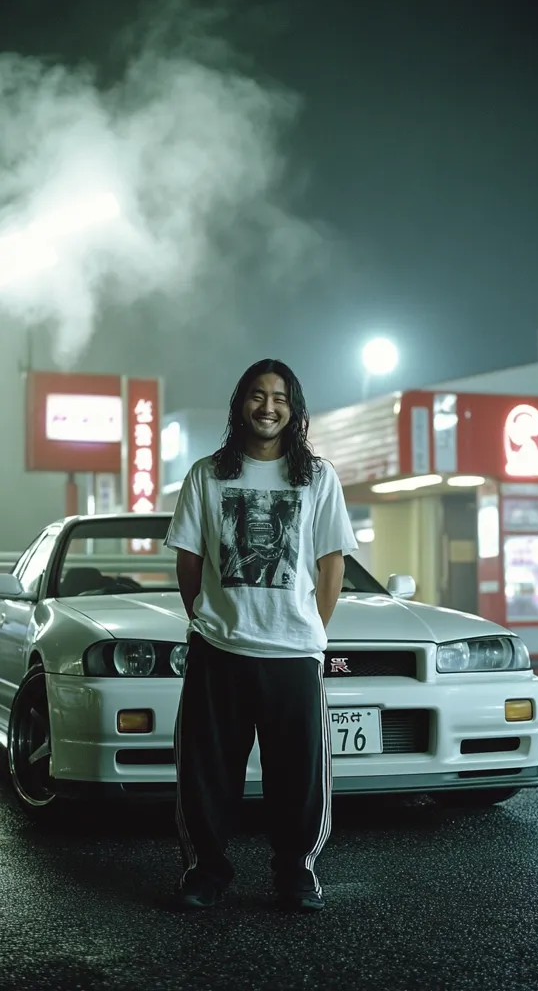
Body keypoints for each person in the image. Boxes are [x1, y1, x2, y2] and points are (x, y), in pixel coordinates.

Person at [164, 359, 358, 912]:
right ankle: (206, 872)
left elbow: (331, 562)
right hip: (219, 648)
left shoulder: (318, 477)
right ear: (240, 404)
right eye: (256, 395)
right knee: (206, 773)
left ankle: (296, 873)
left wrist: (311, 630)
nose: (267, 406)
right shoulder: (207, 474)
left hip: (292, 654)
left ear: (293, 409)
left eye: (279, 397)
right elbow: (189, 557)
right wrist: (205, 616)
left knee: (298, 776)